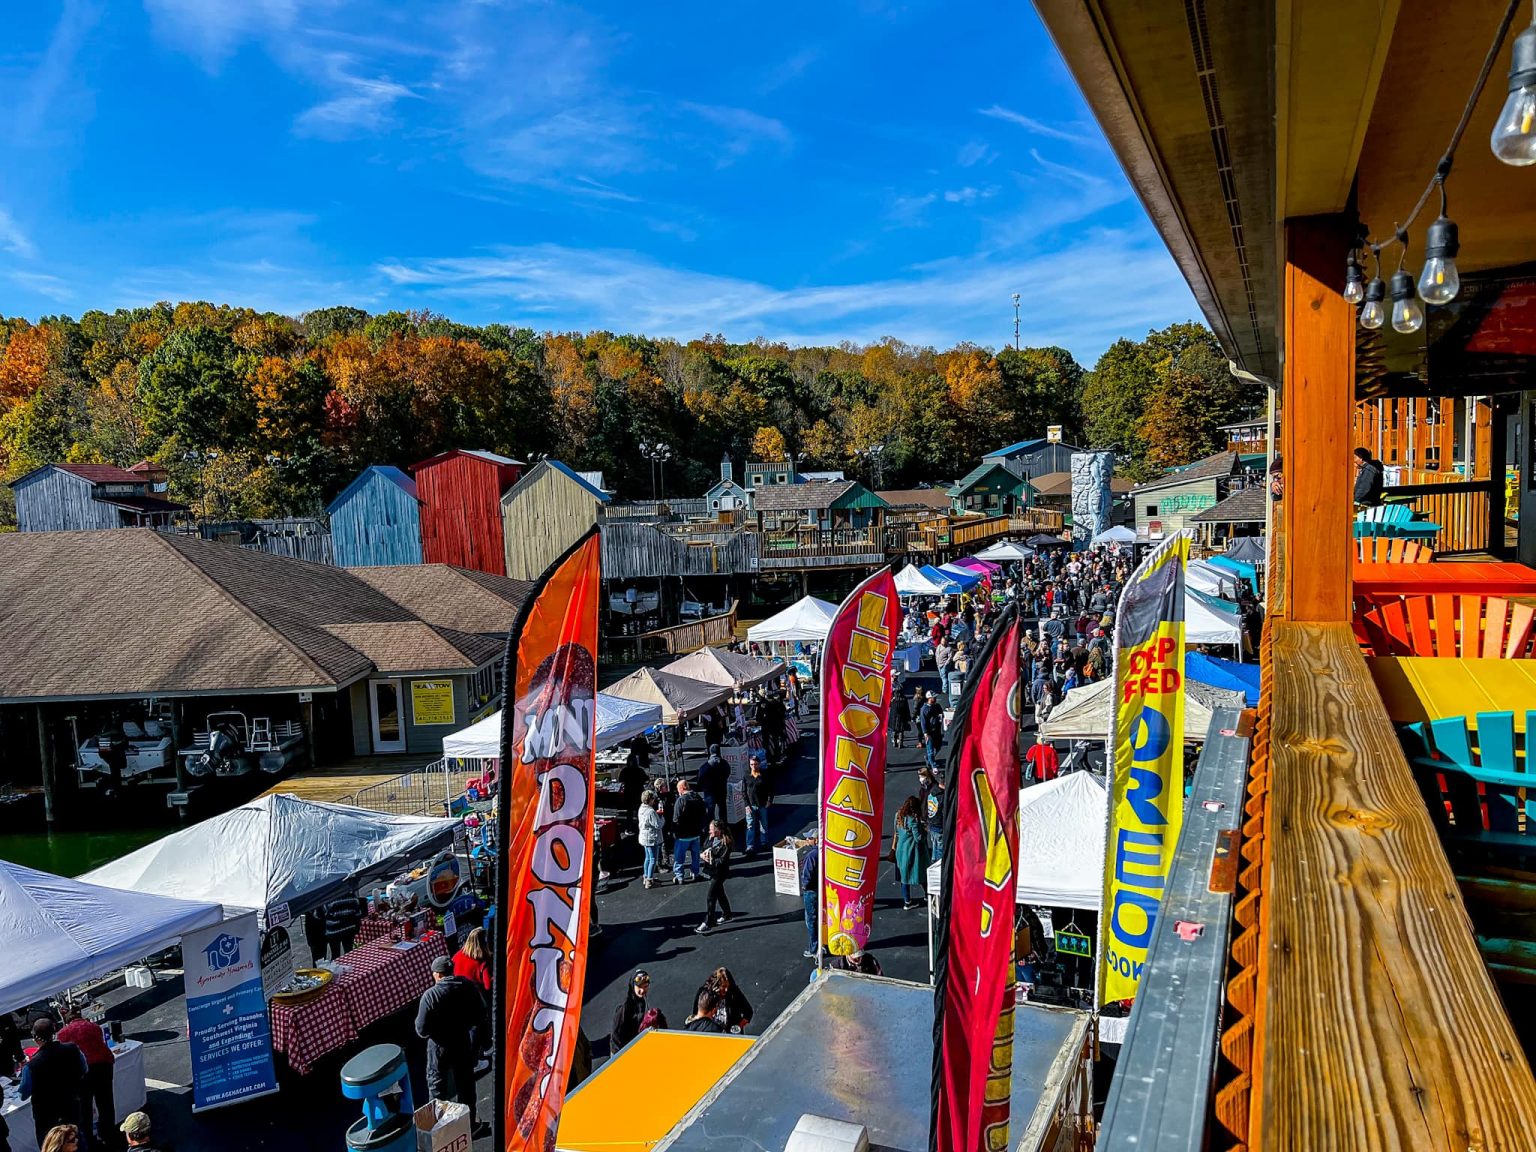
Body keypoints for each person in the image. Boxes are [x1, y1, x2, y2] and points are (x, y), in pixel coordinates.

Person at [414, 955, 489, 1137]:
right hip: (462, 1041)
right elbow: (481, 1012)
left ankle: (439, 1133)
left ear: (438, 975)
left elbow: (421, 1029)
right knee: (466, 1085)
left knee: (437, 1087)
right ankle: (469, 1125)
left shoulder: (431, 996)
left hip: (438, 1046)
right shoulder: (467, 986)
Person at [19, 1019, 87, 1149]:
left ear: (35, 1038)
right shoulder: (72, 1049)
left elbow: (23, 1094)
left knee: (51, 1146)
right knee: (76, 1141)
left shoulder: (32, 1066)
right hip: (71, 1105)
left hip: (47, 1117)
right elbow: (84, 1069)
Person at [57, 1007, 114, 1150]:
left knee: (85, 1108)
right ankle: (109, 1134)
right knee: (106, 1102)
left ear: (66, 1020)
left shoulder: (63, 1033)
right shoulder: (94, 1026)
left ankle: (89, 1139)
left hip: (84, 1072)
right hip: (103, 1066)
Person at [694, 819, 735, 934]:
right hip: (711, 871)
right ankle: (727, 914)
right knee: (720, 893)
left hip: (720, 873)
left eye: (712, 830)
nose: (709, 831)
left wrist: (710, 859)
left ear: (719, 830)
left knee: (711, 896)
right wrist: (703, 854)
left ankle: (709, 922)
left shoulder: (726, 843)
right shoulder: (711, 838)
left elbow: (722, 861)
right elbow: (704, 847)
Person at [893, 796, 930, 910]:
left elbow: (896, 832)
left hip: (900, 850)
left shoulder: (898, 815)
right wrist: (925, 831)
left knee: (904, 877)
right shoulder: (912, 819)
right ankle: (928, 895)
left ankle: (907, 901)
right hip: (912, 851)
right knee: (922, 873)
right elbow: (918, 838)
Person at [672, 780, 708, 884]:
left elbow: (676, 818)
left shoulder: (681, 800)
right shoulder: (698, 798)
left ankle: (679, 877)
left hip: (683, 835)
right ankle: (695, 873)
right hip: (696, 833)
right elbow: (704, 815)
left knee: (679, 857)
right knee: (695, 856)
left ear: (682, 789)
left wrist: (674, 832)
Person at [608, 970, 652, 1053]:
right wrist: (619, 1054)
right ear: (633, 986)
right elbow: (615, 1034)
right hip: (621, 1051)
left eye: (645, 986)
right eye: (639, 987)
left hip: (632, 1045)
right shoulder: (625, 1007)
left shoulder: (641, 1001)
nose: (642, 990)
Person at [700, 968, 754, 1033]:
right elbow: (698, 1013)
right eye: (723, 986)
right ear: (716, 986)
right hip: (711, 1033)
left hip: (730, 1036)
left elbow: (748, 1012)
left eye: (727, 986)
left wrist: (737, 1027)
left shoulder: (734, 994)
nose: (726, 990)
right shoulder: (706, 995)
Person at [742, 756, 772, 858]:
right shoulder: (746, 775)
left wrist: (769, 801)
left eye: (755, 764)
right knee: (750, 826)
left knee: (764, 824)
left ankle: (764, 843)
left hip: (762, 804)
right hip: (750, 806)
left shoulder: (765, 775)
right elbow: (743, 791)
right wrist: (746, 805)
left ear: (759, 764)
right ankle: (749, 846)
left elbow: (770, 789)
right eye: (751, 764)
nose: (753, 766)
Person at [321, 891, 365, 959]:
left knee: (335, 954)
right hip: (349, 929)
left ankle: (336, 968)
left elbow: (319, 915)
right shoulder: (352, 896)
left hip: (333, 931)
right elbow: (358, 913)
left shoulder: (328, 899)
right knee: (349, 953)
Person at [452, 926, 493, 994]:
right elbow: (488, 986)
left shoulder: (456, 956)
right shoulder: (482, 960)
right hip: (473, 995)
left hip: (457, 992)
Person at [638, 789, 666, 888]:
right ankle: (649, 880)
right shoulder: (650, 812)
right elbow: (658, 825)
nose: (654, 800)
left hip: (644, 837)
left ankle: (646, 876)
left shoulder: (641, 808)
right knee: (653, 859)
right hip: (651, 838)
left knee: (647, 858)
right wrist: (661, 817)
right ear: (650, 799)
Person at [697, 745, 729, 823]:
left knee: (710, 812)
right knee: (722, 810)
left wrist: (704, 787)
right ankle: (724, 828)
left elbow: (700, 779)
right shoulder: (724, 763)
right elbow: (728, 772)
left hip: (709, 792)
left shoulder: (705, 766)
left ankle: (711, 829)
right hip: (721, 790)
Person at [918, 692, 946, 773]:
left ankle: (928, 758)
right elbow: (923, 722)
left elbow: (941, 714)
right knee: (930, 750)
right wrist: (925, 733)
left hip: (937, 731)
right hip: (929, 732)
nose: (935, 699)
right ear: (929, 699)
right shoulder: (924, 709)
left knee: (938, 747)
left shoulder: (937, 706)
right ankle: (933, 766)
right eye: (933, 697)